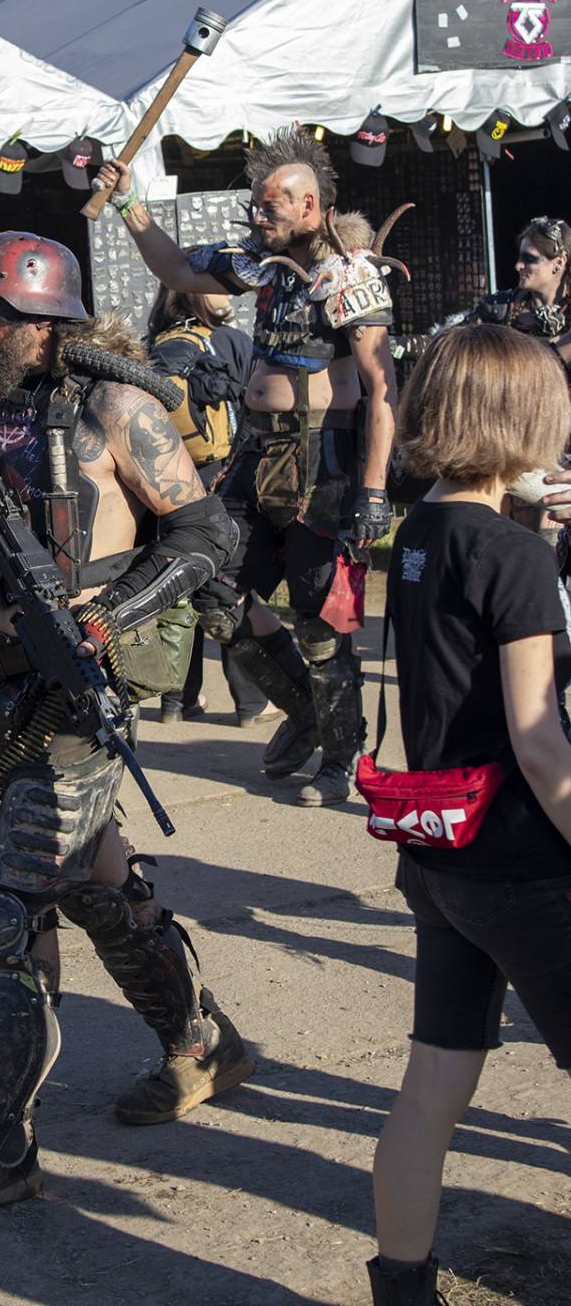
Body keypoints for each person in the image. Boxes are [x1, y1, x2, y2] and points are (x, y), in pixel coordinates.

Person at [0, 232, 253, 1220]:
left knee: (8, 913)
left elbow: (207, 534)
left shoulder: (116, 405)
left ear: (45, 322)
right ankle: (199, 1041)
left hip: (78, 684)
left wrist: (105, 617)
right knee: (94, 881)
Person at [95, 129, 400, 806]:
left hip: (323, 459)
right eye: (258, 203)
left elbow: (382, 388)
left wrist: (374, 490)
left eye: (275, 206)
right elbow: (175, 272)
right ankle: (305, 713)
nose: (259, 215)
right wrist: (128, 204)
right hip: (255, 453)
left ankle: (339, 757)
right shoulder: (257, 266)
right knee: (209, 577)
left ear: (313, 209)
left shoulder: (351, 277)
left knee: (319, 616)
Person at [366, 324, 571, 1306]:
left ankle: (399, 1286)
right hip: (526, 863)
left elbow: (468, 629)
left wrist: (536, 530)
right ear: (522, 418)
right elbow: (538, 738)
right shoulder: (512, 557)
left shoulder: (421, 532)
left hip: (439, 849)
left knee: (432, 1084)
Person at [146, 272, 274, 728]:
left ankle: (176, 701)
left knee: (177, 583)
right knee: (225, 585)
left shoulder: (153, 344)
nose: (229, 293)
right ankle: (251, 704)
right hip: (221, 477)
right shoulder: (234, 342)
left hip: (167, 482)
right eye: (221, 285)